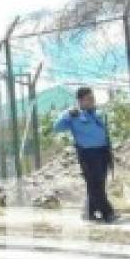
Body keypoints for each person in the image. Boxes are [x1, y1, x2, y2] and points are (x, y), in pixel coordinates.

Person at [53, 86, 117, 223]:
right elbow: (56, 127)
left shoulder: (96, 113)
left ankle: (90, 212)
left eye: (93, 97)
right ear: (80, 101)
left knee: (98, 184)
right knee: (95, 184)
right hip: (88, 154)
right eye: (89, 98)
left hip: (103, 152)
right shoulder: (74, 115)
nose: (92, 100)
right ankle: (107, 213)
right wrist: (68, 115)